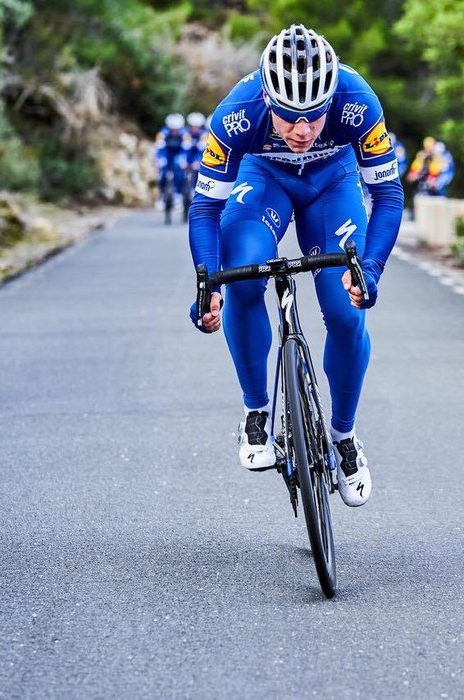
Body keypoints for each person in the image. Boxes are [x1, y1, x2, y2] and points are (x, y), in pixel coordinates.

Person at [187, 24, 403, 507]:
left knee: (347, 313)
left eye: (314, 116)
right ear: (268, 99)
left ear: (331, 99)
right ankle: (255, 412)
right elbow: (204, 208)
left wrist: (371, 269)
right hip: (263, 180)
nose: (302, 131)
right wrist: (207, 281)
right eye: (288, 118)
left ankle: (344, 437)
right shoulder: (237, 114)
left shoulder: (358, 102)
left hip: (333, 184)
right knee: (242, 277)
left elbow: (388, 194)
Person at [155, 113, 192, 205]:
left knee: (179, 170)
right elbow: (160, 148)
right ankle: (162, 195)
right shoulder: (162, 133)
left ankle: (178, 194)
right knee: (162, 174)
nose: (175, 131)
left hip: (179, 153)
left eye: (177, 130)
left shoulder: (185, 134)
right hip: (166, 153)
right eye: (172, 129)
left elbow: (186, 149)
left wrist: (183, 161)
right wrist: (160, 160)